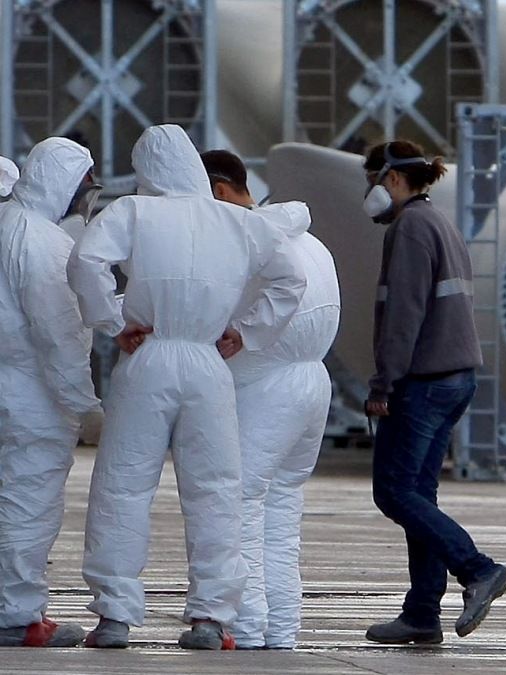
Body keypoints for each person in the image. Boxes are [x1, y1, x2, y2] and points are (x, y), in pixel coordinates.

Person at [67, 125, 306, 650]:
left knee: (123, 487)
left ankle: (114, 616)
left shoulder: (132, 212)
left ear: (145, 169)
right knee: (216, 489)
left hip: (147, 357)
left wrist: (111, 320)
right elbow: (291, 278)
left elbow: (85, 260)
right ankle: (209, 617)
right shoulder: (238, 222)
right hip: (206, 360)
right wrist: (248, 332)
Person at [361, 139, 506, 645]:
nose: (371, 191)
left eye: (374, 180)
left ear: (394, 179)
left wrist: (384, 383)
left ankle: (478, 569)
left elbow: (404, 315)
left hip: (423, 381)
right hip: (455, 378)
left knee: (395, 491)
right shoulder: (440, 221)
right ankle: (422, 614)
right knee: (418, 495)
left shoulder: (409, 228)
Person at [199, 149, 341, 649]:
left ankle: (248, 625)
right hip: (312, 386)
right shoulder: (313, 244)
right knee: (282, 512)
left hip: (264, 388)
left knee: (240, 504)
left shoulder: (248, 246)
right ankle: (282, 627)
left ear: (218, 192)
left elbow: (215, 313)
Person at [0, 138, 104, 648]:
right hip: (31, 396)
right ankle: (17, 616)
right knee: (28, 502)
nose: (86, 198)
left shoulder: (6, 224)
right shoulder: (40, 240)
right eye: (85, 186)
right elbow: (59, 337)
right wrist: (85, 408)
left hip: (10, 386)